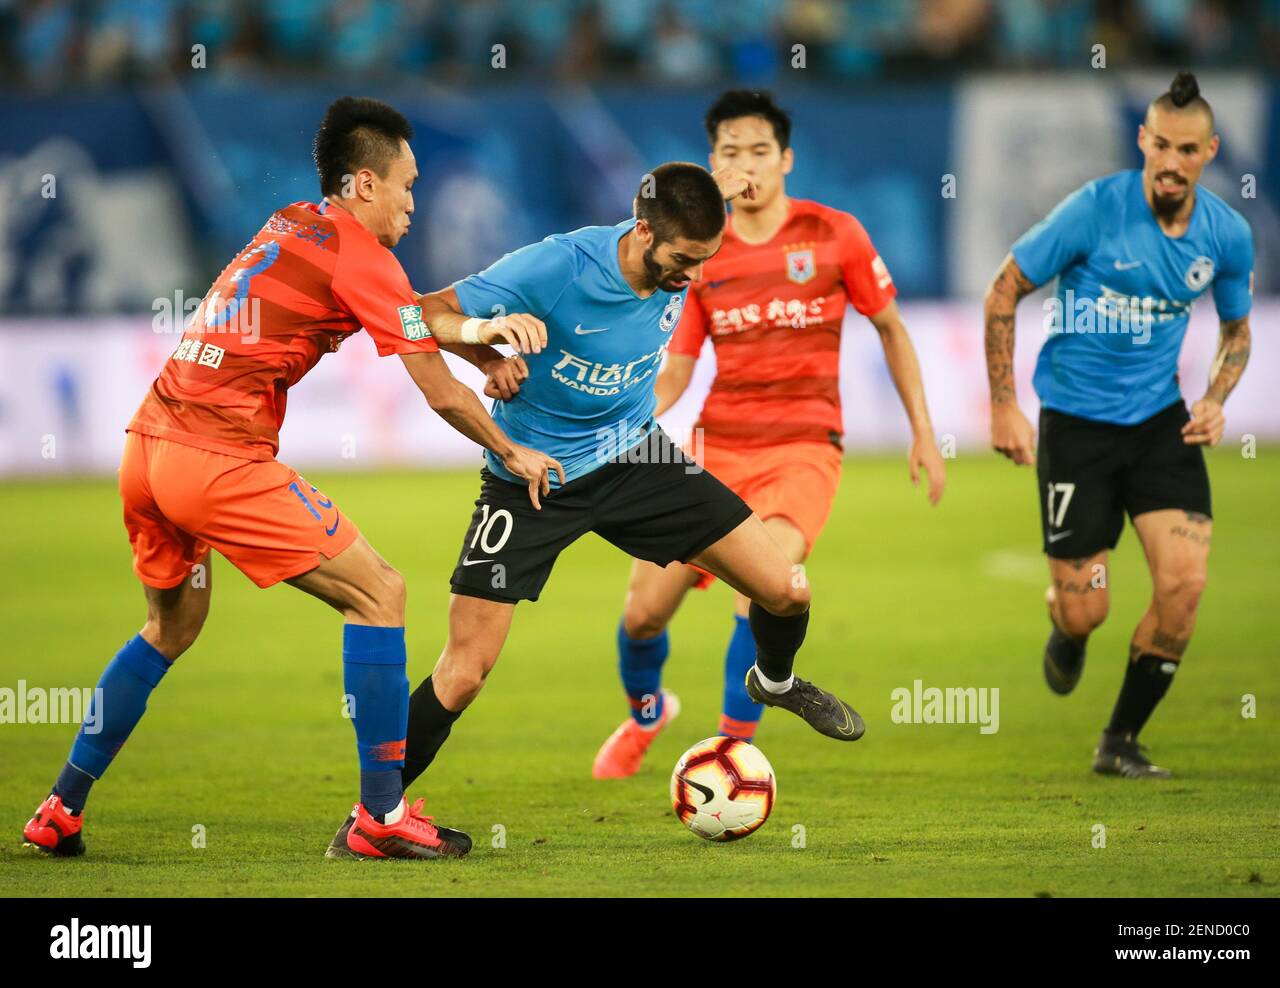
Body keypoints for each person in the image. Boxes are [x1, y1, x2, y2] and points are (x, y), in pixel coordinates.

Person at [22, 97, 559, 861]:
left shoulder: (292, 221)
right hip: (217, 457)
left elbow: (410, 318)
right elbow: (434, 386)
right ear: (364, 184)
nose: (415, 199)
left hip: (147, 448)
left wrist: (480, 344)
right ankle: (381, 816)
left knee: (169, 628)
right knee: (381, 594)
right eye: (406, 184)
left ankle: (60, 808)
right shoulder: (361, 253)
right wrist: (513, 451)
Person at [326, 160, 869, 857]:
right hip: (532, 479)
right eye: (680, 262)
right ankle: (375, 819)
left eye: (704, 262)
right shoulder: (560, 265)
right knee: (465, 669)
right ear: (642, 231)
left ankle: (775, 678)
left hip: (639, 458)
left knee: (787, 590)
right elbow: (417, 313)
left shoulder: (686, 257)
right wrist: (484, 338)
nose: (691, 277)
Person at [591, 90, 946, 779]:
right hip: (714, 447)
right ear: (712, 165)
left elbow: (892, 329)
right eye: (729, 153)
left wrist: (924, 433)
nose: (746, 164)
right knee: (642, 615)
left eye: (758, 150)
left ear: (785, 158)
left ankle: (730, 757)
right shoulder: (701, 253)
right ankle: (646, 713)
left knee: (764, 587)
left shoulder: (834, 234)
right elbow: (678, 370)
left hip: (804, 447)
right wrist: (621, 413)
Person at [983, 72, 1253, 778]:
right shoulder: (1093, 211)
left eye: (1187, 150)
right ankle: (1065, 627)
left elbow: (1238, 330)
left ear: (1209, 151)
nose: (1170, 161)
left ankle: (1120, 741)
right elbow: (1004, 289)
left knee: (1185, 584)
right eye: (1160, 144)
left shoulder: (1226, 234)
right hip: (1076, 426)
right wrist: (1004, 403)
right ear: (1143, 139)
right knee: (1086, 614)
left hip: (1161, 424)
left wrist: (1219, 394)